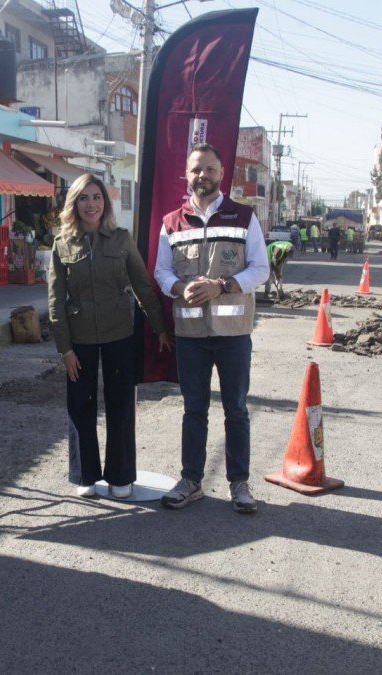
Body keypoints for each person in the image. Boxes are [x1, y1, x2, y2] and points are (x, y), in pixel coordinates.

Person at [153, 143, 269, 514]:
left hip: (233, 334)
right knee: (194, 410)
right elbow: (161, 271)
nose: (202, 176)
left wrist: (222, 286)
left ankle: (239, 483)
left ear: (222, 174)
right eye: (196, 170)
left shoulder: (244, 217)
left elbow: (260, 269)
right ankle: (191, 481)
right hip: (191, 337)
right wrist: (177, 287)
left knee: (235, 408)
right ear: (186, 176)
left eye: (210, 170)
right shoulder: (172, 222)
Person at [48, 174, 172, 499]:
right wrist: (65, 350)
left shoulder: (121, 239)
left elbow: (142, 286)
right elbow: (54, 301)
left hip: (120, 333)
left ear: (105, 202)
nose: (91, 204)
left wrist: (159, 327)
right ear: (74, 204)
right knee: (80, 405)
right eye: (84, 198)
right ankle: (85, 474)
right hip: (79, 339)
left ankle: (121, 475)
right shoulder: (61, 244)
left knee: (120, 405)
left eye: (97, 197)